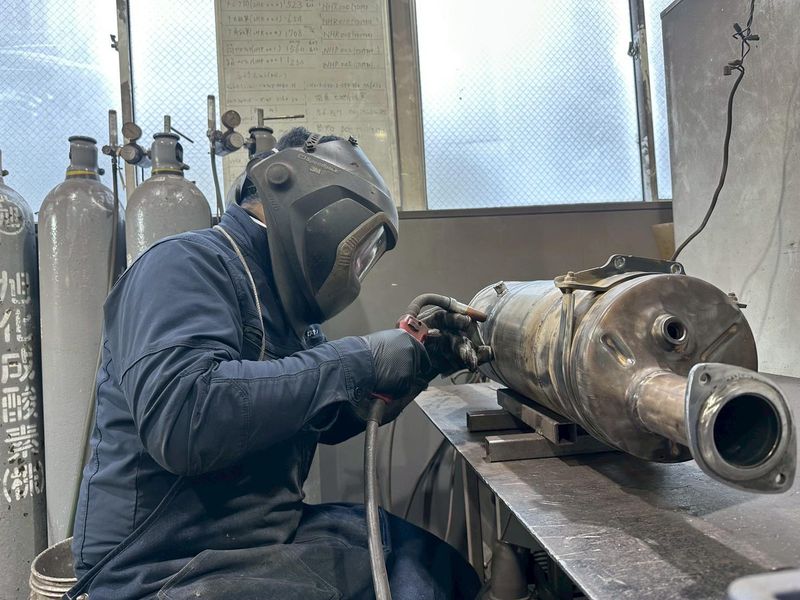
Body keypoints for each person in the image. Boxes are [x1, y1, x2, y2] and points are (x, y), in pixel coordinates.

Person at [67, 127, 484, 600]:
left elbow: (318, 417)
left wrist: (422, 361)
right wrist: (358, 361)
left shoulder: (280, 302)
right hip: (161, 567)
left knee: (424, 561)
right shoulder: (184, 264)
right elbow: (185, 418)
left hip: (254, 541)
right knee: (410, 585)